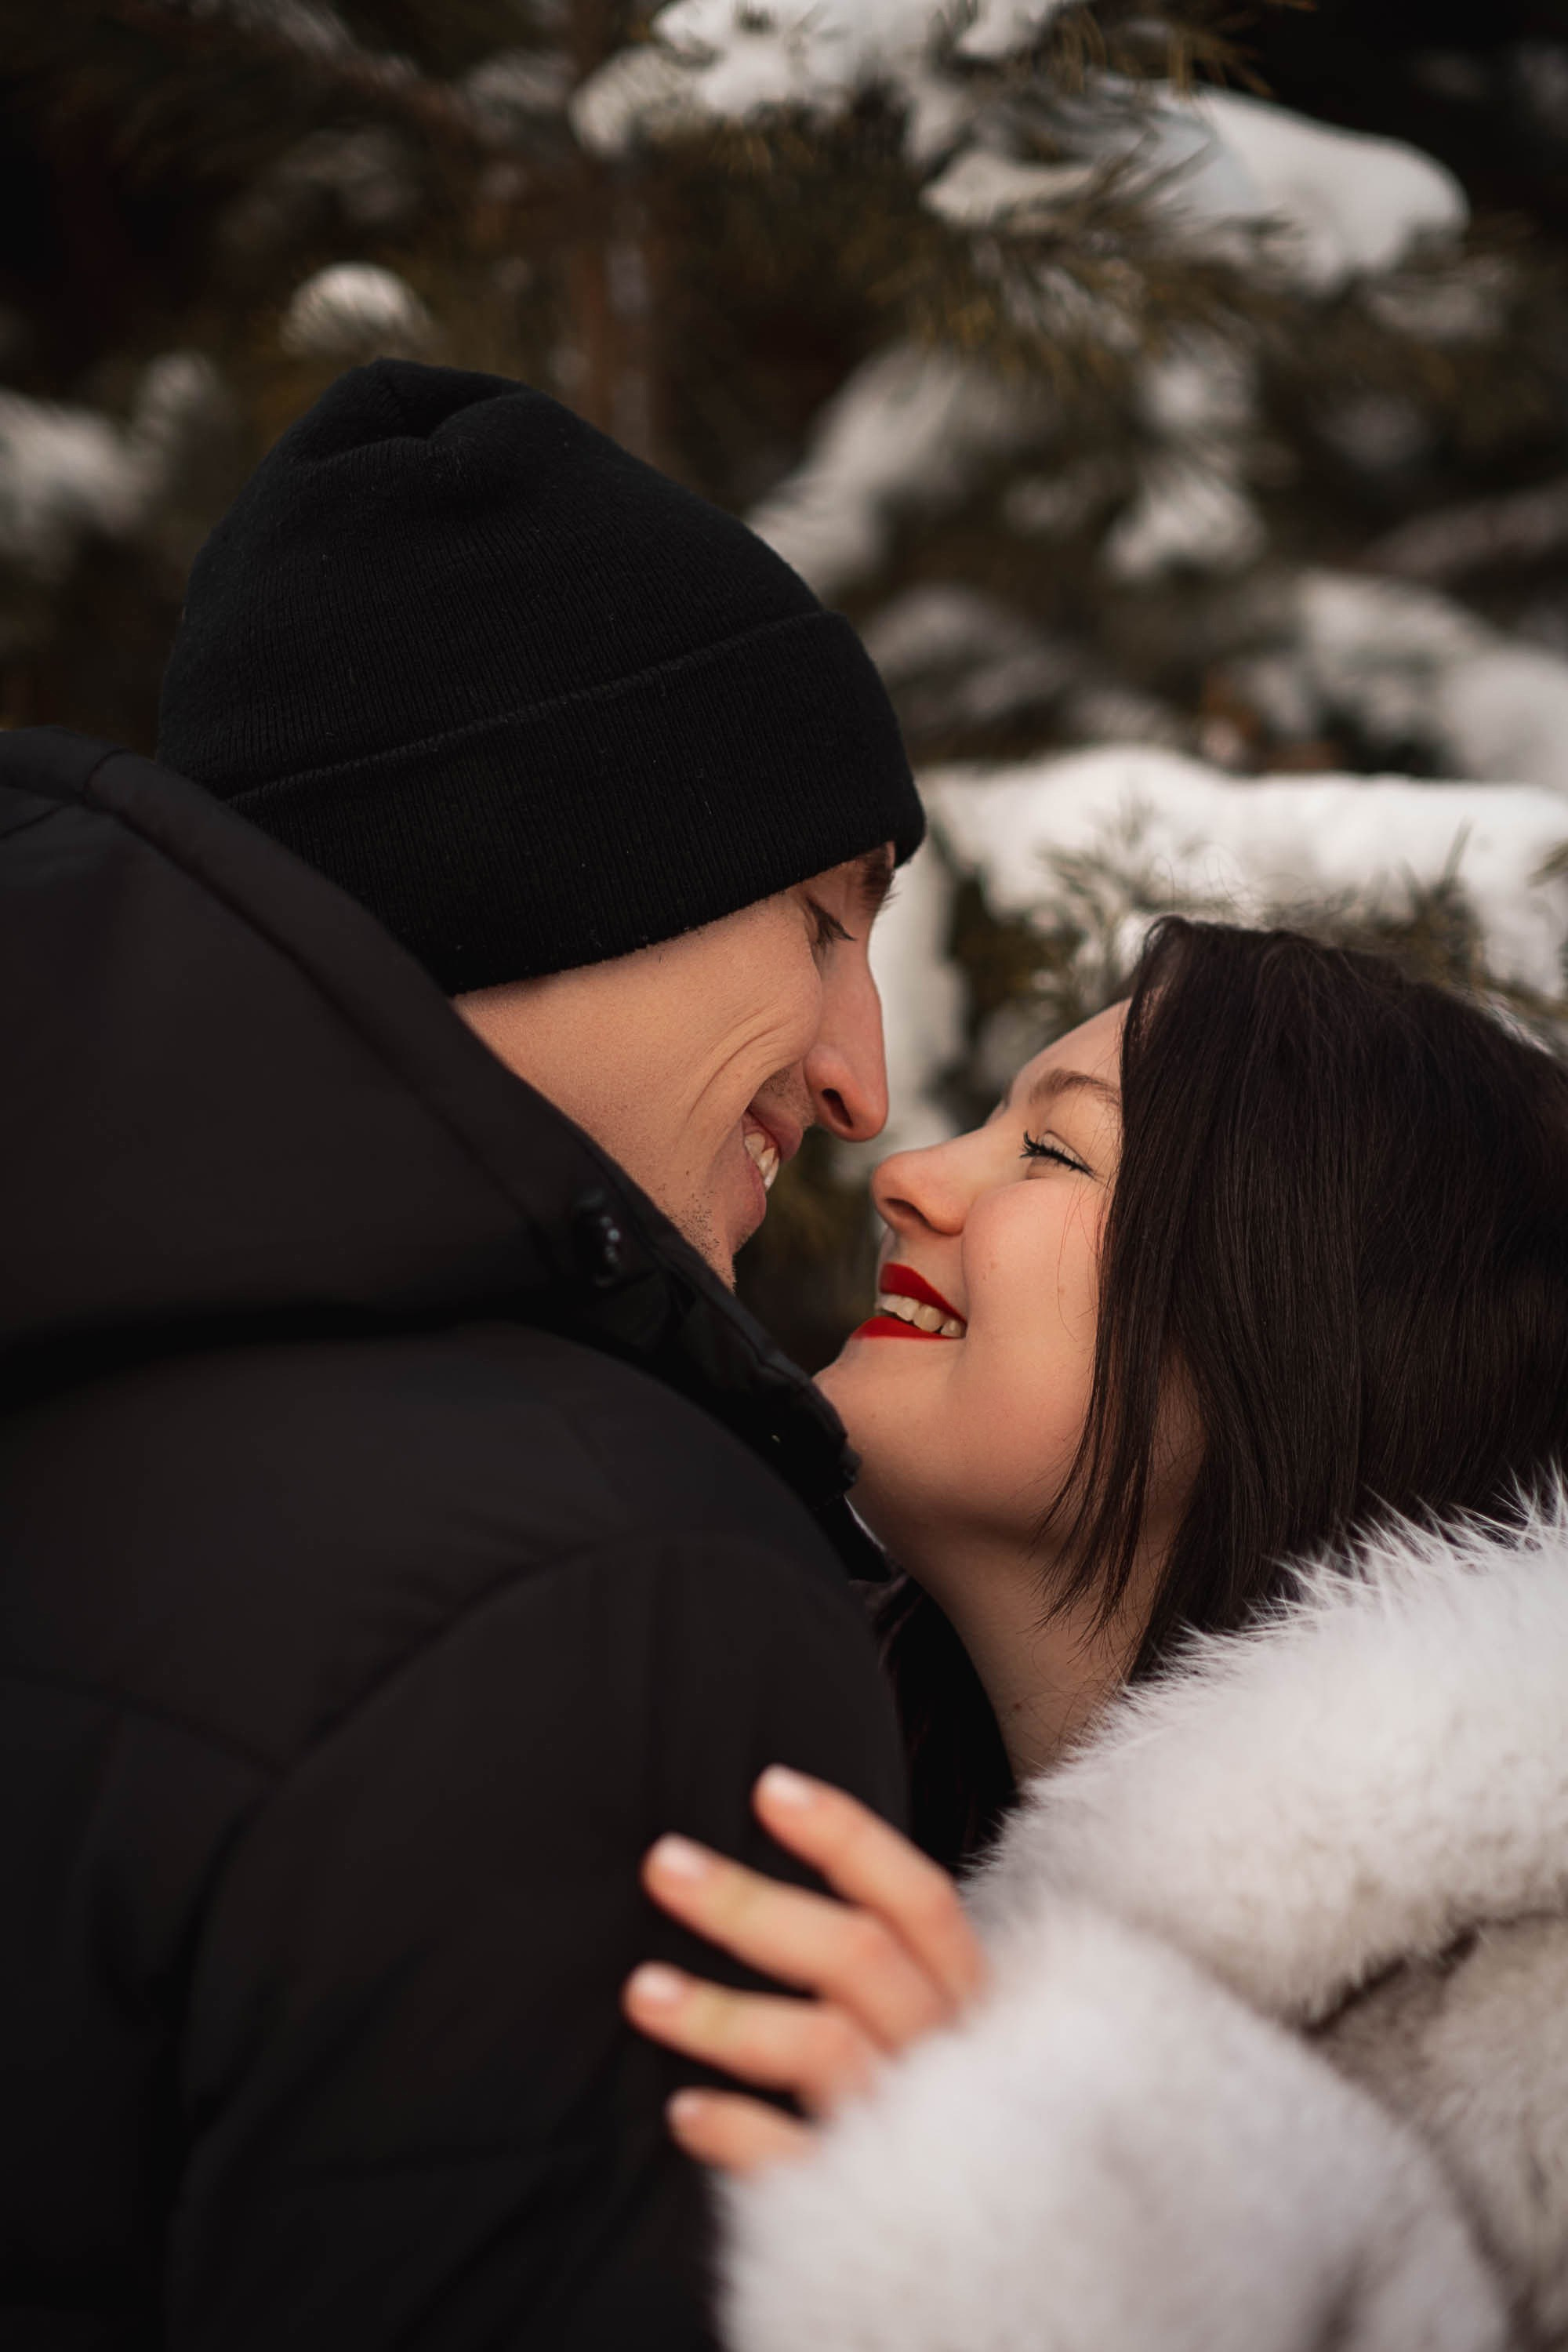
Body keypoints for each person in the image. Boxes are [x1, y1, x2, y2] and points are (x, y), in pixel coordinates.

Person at [0, 359, 927, 2348]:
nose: (865, 1085)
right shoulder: (614, 1592)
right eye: (822, 918)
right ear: (554, 857)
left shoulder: (76, 1375)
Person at [623, 916, 1568, 2352]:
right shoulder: (752, 1802)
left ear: (1299, 1325)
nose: (907, 1178)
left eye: (1053, 1153)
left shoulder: (1527, 2026)